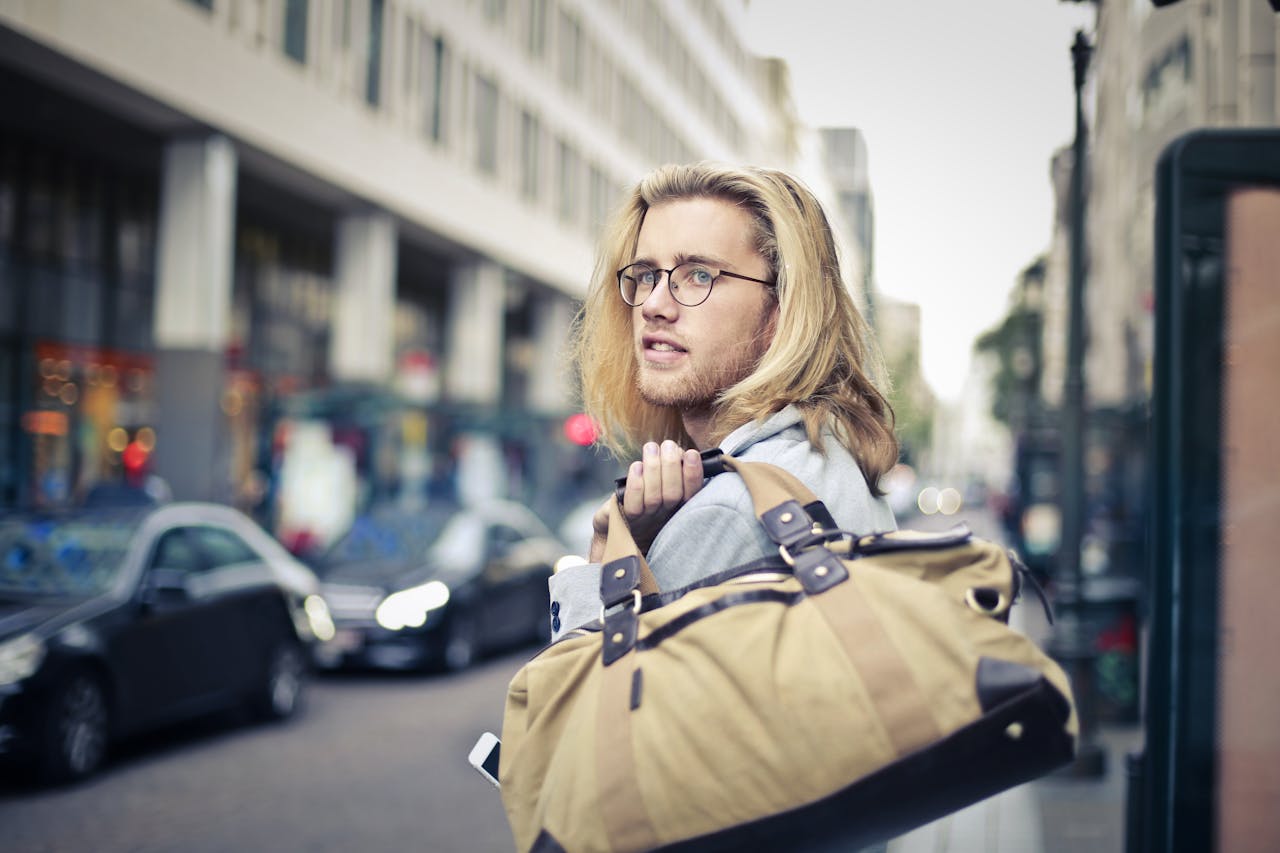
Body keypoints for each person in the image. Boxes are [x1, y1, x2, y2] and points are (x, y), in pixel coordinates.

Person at [548, 161, 899, 640]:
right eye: (647, 274)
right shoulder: (826, 460)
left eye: (698, 275)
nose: (653, 304)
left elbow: (584, 706)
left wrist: (607, 551)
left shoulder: (731, 510)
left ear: (782, 308)